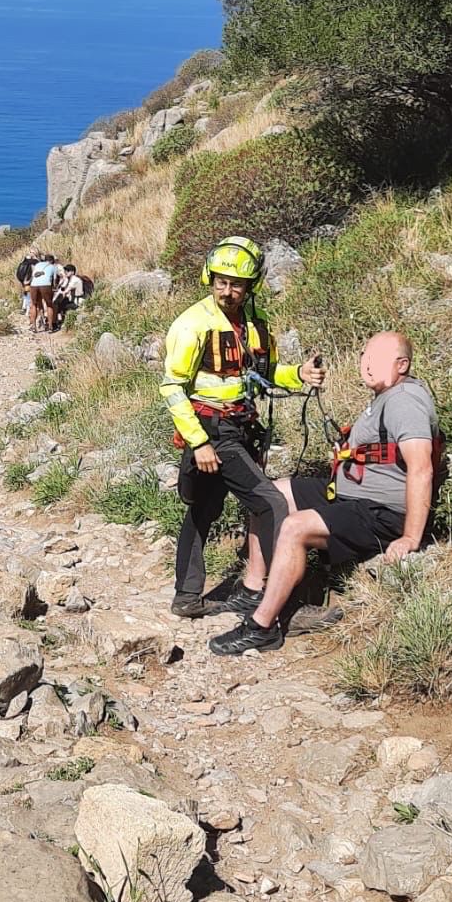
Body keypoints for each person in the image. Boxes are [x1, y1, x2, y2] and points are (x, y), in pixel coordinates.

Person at [208, 331, 444, 655]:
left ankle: (261, 627)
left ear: (402, 365)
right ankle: (254, 588)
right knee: (267, 496)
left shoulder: (405, 401)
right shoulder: (386, 396)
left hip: (380, 512)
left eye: (378, 358)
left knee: (295, 527)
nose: (367, 364)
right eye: (366, 355)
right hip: (351, 496)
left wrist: (410, 538)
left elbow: (421, 469)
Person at [162, 237, 327, 620]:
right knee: (271, 504)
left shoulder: (254, 323)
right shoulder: (193, 324)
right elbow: (172, 387)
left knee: (205, 508)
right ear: (209, 278)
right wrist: (199, 442)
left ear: (250, 285)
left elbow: (263, 373)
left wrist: (298, 374)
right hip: (212, 430)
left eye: (236, 284)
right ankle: (273, 600)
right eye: (221, 281)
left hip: (239, 425)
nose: (227, 290)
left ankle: (188, 598)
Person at [28, 254, 61, 333]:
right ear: (52, 260)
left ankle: (34, 326)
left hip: (33, 285)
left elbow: (33, 276)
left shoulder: (37, 265)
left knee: (34, 305)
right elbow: (55, 279)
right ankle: (50, 327)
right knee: (49, 305)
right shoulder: (53, 267)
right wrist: (55, 287)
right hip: (46, 285)